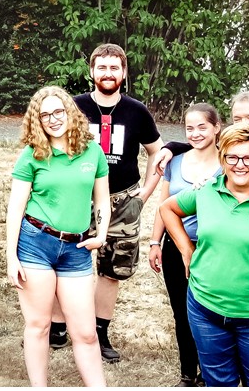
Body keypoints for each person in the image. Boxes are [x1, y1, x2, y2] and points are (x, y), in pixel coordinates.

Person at [159, 123, 249, 387]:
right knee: (218, 382)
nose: (240, 164)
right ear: (223, 160)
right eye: (232, 157)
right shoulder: (206, 191)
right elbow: (168, 209)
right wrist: (186, 249)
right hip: (205, 310)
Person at [60, 43, 162, 363]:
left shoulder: (136, 111)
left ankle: (100, 333)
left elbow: (156, 151)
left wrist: (143, 194)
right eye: (101, 67)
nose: (108, 73)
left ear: (123, 72)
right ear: (91, 71)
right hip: (78, 199)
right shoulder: (73, 107)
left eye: (114, 68)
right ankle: (57, 328)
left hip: (121, 203)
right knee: (63, 263)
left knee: (112, 270)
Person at [6, 86, 108, 387]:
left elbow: (101, 199)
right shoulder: (32, 155)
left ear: (70, 112)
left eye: (58, 112)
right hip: (36, 243)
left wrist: (100, 233)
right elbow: (16, 208)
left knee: (86, 333)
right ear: (37, 120)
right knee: (39, 325)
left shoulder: (93, 150)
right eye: (45, 114)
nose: (52, 119)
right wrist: (11, 257)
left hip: (77, 248)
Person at [146, 103, 222, 386]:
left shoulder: (227, 162)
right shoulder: (175, 161)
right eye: (190, 128)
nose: (196, 133)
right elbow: (163, 204)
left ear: (216, 127)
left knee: (211, 312)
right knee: (183, 312)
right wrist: (155, 241)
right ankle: (188, 373)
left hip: (213, 248)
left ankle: (211, 371)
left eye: (202, 126)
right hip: (176, 247)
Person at [155, 90, 249, 189]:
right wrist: (172, 147)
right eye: (237, 119)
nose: (244, 124)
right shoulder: (235, 142)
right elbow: (212, 148)